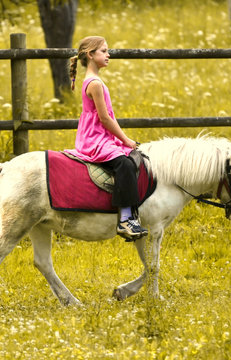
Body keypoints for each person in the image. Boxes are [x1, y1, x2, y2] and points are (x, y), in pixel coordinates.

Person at [66, 36, 148, 241]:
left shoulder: (95, 81)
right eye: (103, 51)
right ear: (91, 55)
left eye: (107, 50)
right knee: (125, 165)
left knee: (133, 157)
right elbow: (104, 118)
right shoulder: (95, 84)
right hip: (96, 138)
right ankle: (125, 220)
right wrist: (126, 140)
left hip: (99, 134)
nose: (108, 55)